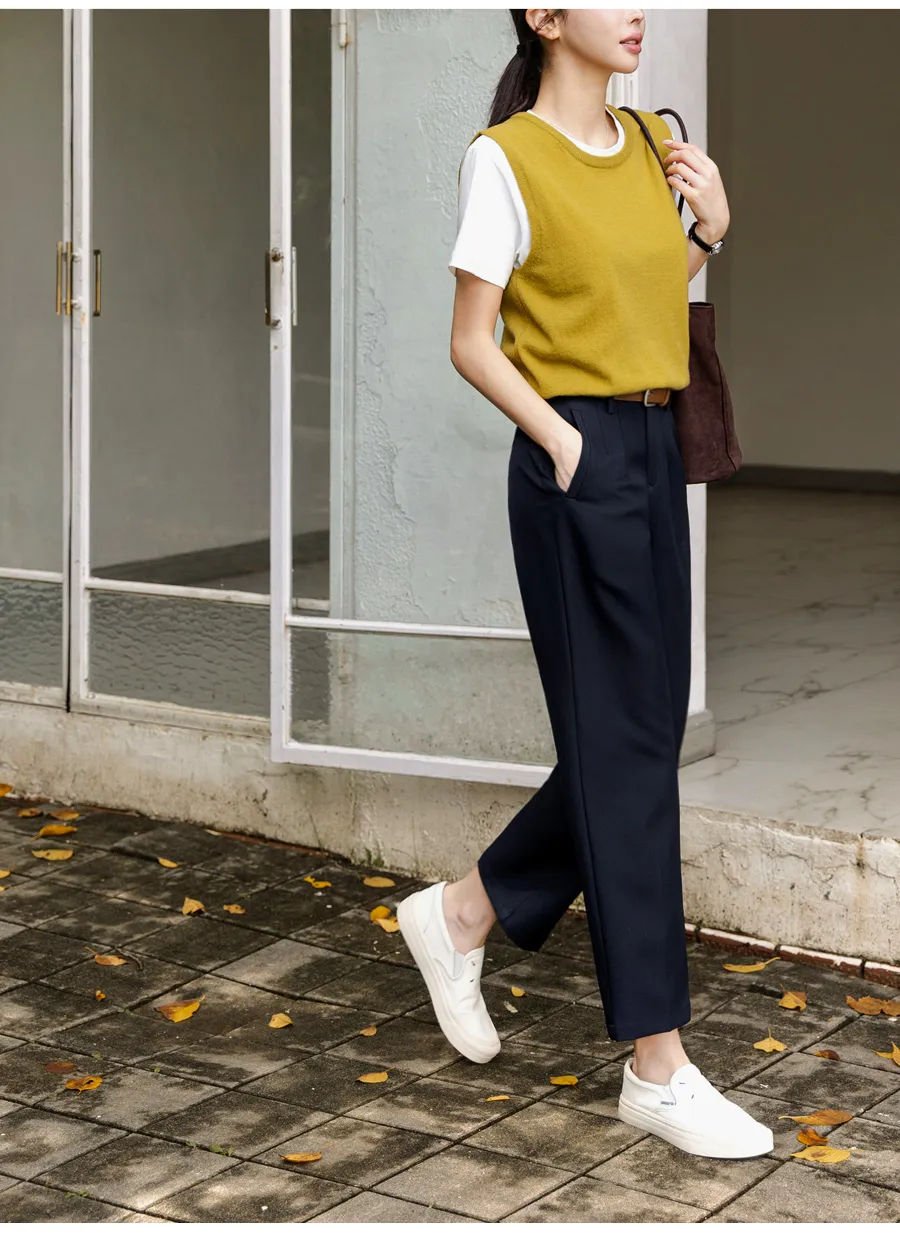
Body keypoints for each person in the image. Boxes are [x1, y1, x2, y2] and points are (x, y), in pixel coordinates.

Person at [397, 8, 773, 1160]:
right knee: (624, 754)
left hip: (655, 448)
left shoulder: (651, 138)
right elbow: (472, 339)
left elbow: (642, 294)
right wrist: (563, 443)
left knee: (639, 740)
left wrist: (710, 232)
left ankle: (464, 912)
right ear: (544, 14)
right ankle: (657, 1066)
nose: (637, 10)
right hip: (579, 458)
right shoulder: (505, 158)